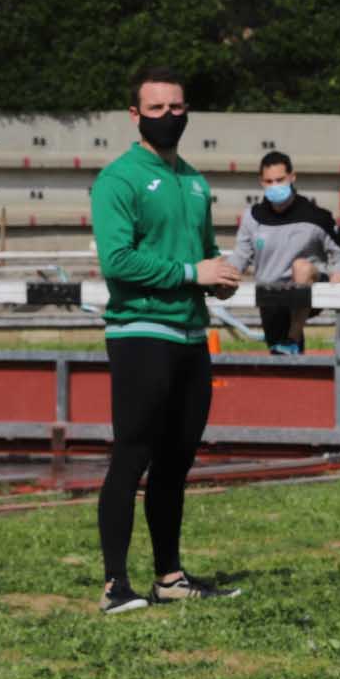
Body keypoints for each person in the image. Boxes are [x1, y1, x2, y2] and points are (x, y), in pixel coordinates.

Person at [89, 67, 244, 614]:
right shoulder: (118, 180)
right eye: (155, 109)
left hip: (190, 335)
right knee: (131, 456)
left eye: (176, 108)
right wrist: (190, 274)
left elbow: (202, 255)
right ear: (135, 116)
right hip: (140, 332)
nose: (167, 118)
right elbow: (119, 261)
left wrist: (219, 278)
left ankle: (169, 577)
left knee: (176, 461)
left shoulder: (196, 182)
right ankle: (114, 586)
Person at [227, 151, 340, 355]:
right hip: (271, 294)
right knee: (280, 358)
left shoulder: (316, 217)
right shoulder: (252, 217)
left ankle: (293, 335)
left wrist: (335, 287)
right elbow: (240, 257)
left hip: (309, 288)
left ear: (292, 177)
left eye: (280, 180)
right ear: (261, 182)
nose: (275, 186)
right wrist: (222, 276)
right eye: (269, 181)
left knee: (300, 267)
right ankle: (291, 349)